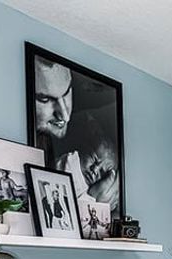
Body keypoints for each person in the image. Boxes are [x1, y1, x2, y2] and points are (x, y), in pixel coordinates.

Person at [32, 55, 121, 216]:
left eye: (66, 93)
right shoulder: (68, 164)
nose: (65, 115)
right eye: (44, 99)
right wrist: (93, 202)